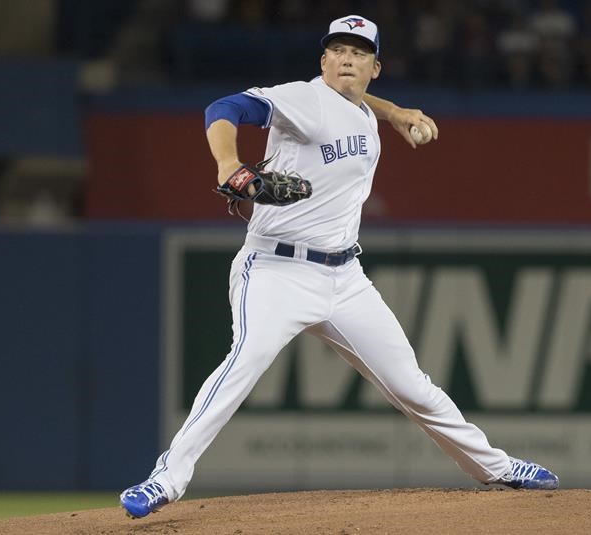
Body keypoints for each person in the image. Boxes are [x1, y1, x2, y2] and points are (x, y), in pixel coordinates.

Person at [120, 14, 559, 519]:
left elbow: (352, 101)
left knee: (412, 386)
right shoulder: (304, 99)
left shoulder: (362, 110)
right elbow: (225, 107)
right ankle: (166, 479)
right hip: (275, 270)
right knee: (242, 365)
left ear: (376, 66)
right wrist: (227, 163)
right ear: (323, 60)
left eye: (359, 52)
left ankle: (495, 467)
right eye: (337, 51)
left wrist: (393, 111)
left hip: (345, 278)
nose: (347, 59)